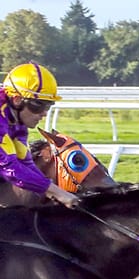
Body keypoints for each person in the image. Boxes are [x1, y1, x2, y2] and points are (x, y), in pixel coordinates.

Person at [0, 62, 81, 207]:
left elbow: (25, 163)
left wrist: (51, 190)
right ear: (17, 100)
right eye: (38, 105)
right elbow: (10, 167)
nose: (44, 113)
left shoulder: (16, 121)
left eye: (48, 106)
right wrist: (57, 192)